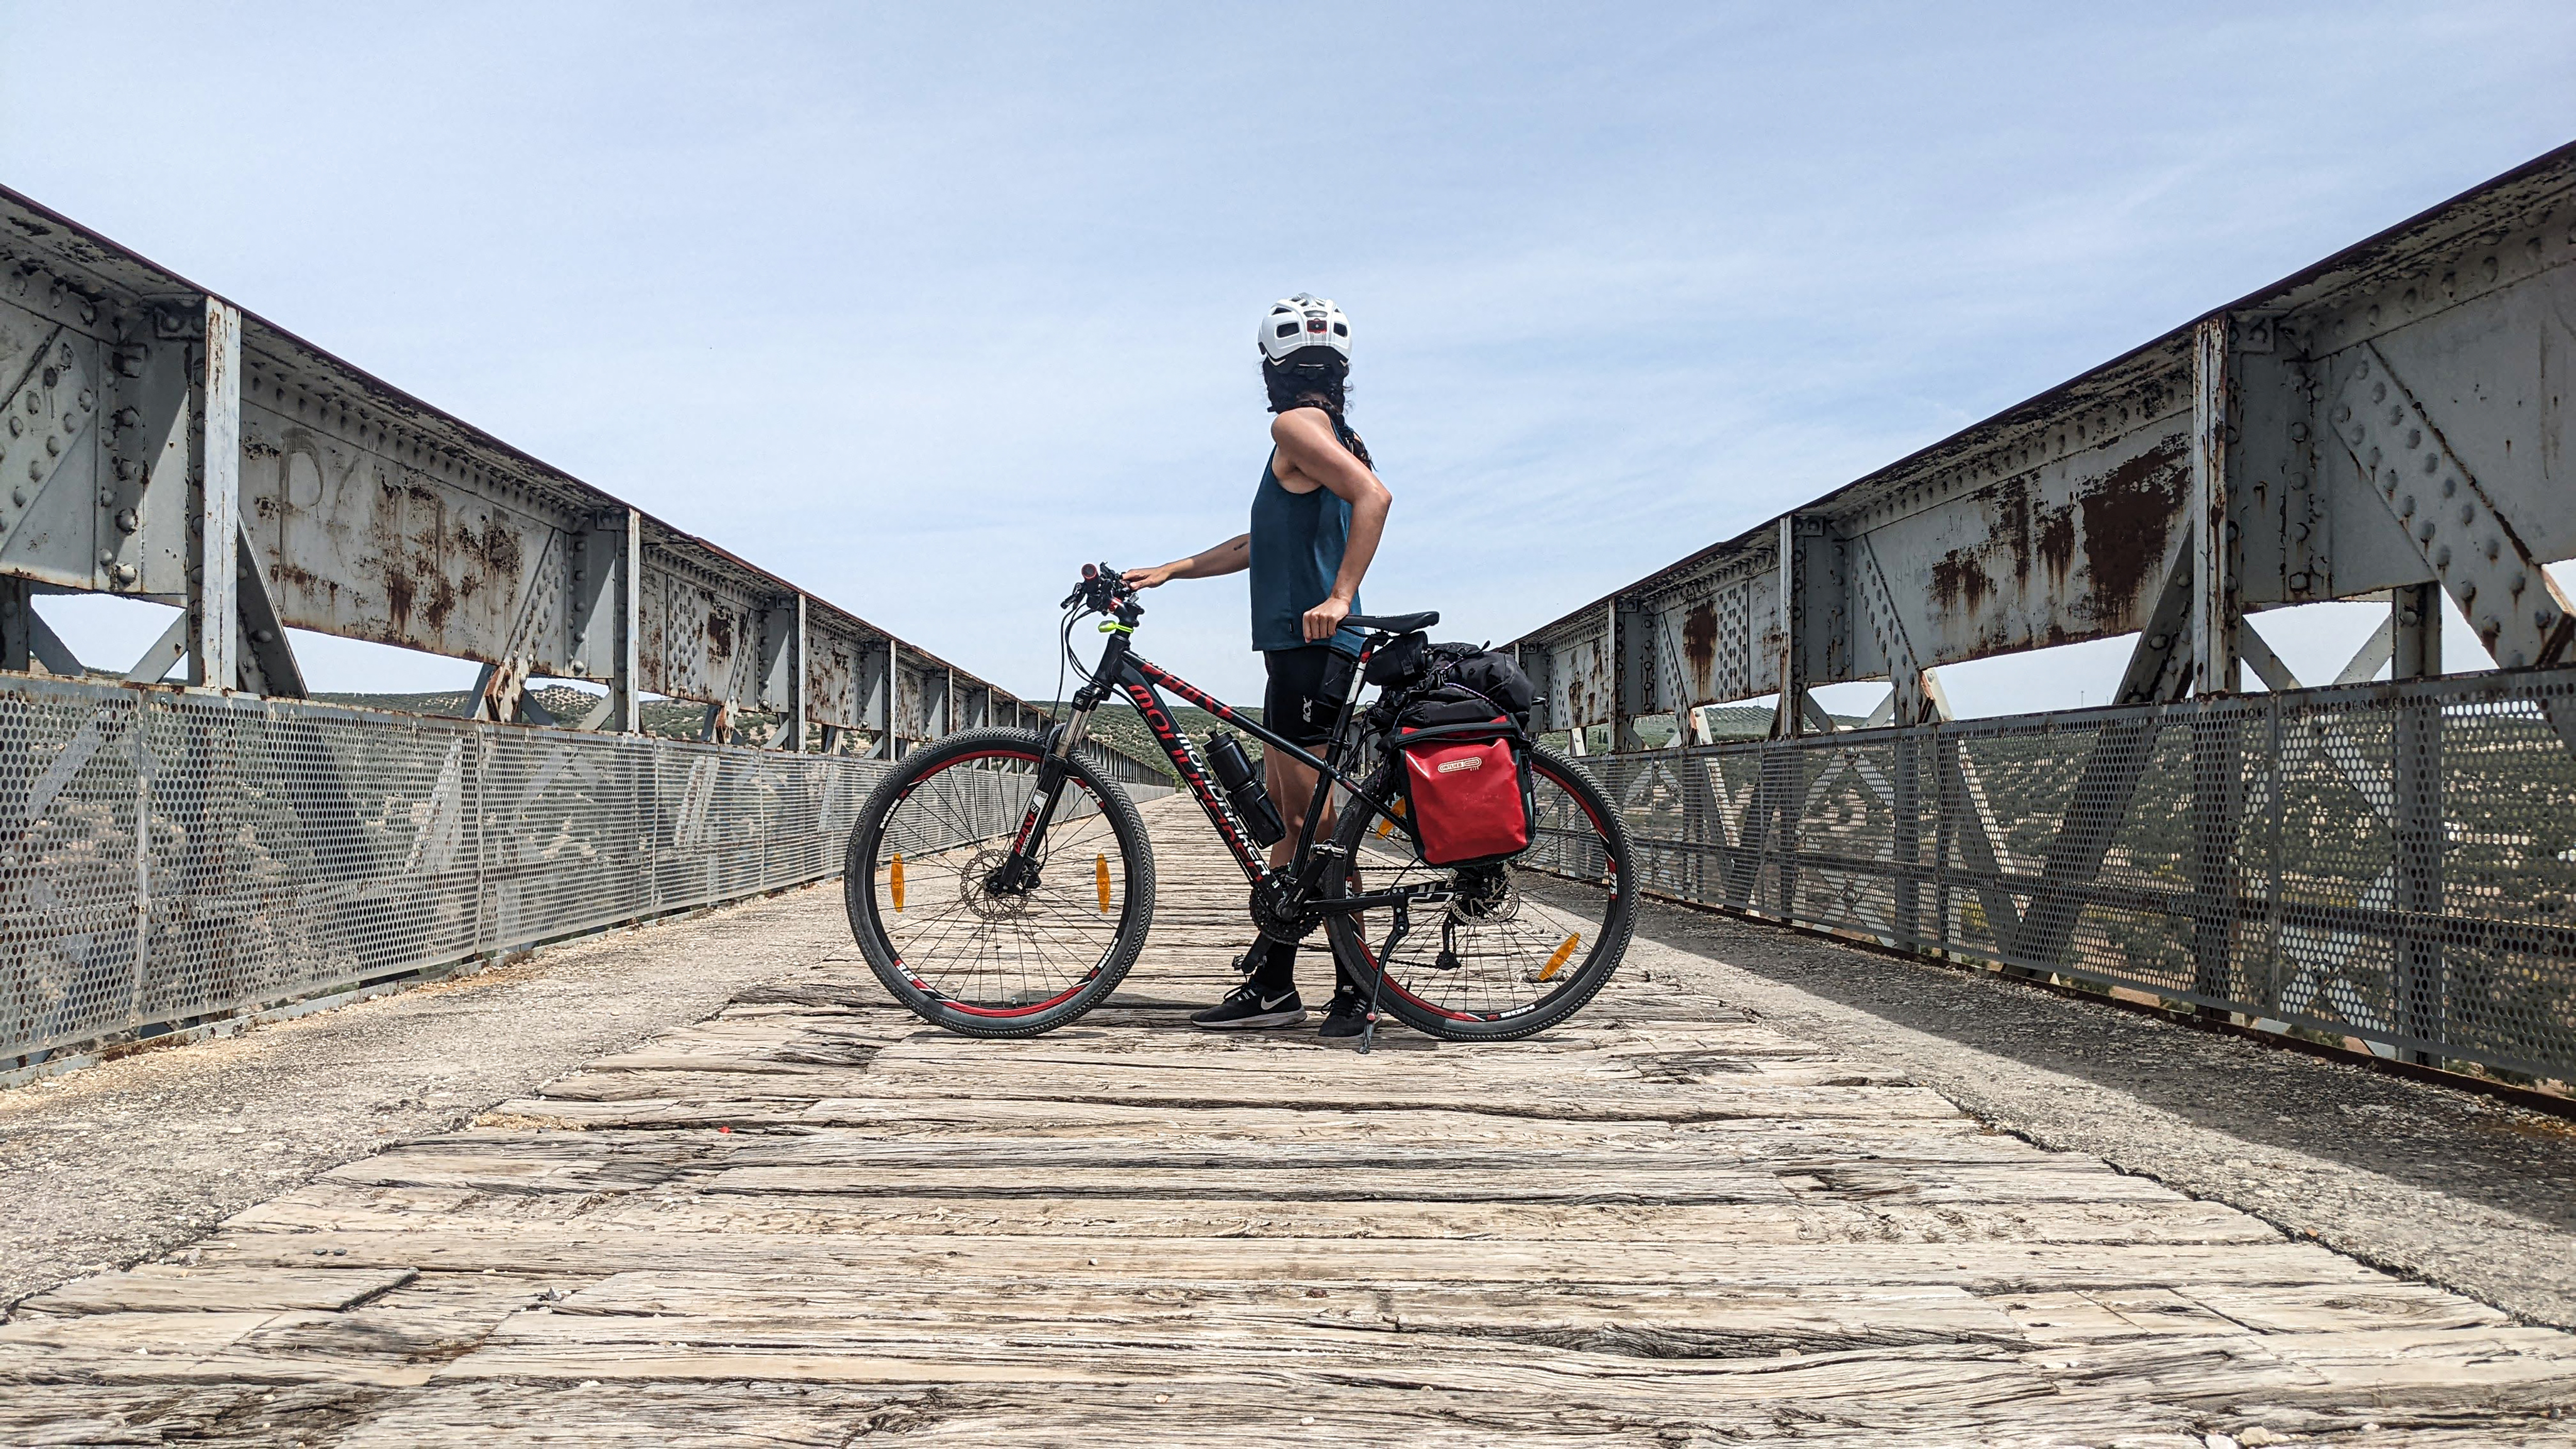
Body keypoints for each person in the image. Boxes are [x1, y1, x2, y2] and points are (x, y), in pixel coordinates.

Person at [1124, 294, 1393, 1038]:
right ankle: (1275, 984)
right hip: (1292, 653)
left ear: (1272, 369)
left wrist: (1341, 596)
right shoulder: (1326, 433)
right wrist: (1172, 568)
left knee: (1320, 826)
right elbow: (1260, 543)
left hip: (1315, 651)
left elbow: (1376, 499)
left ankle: (1357, 988)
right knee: (1290, 827)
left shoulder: (1293, 426)